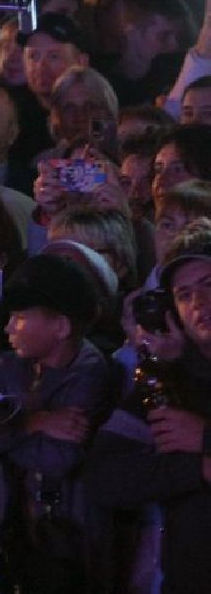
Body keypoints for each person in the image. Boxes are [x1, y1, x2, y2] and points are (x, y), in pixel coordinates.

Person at [0, 253, 118, 591]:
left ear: (61, 327)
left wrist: (4, 434)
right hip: (17, 522)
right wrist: (34, 423)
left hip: (71, 530)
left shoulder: (89, 372)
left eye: (20, 318)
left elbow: (57, 459)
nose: (7, 328)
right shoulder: (14, 366)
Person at [88, 224, 211, 592]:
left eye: (209, 284)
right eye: (184, 294)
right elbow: (105, 477)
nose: (199, 302)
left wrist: (204, 436)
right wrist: (200, 469)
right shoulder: (168, 384)